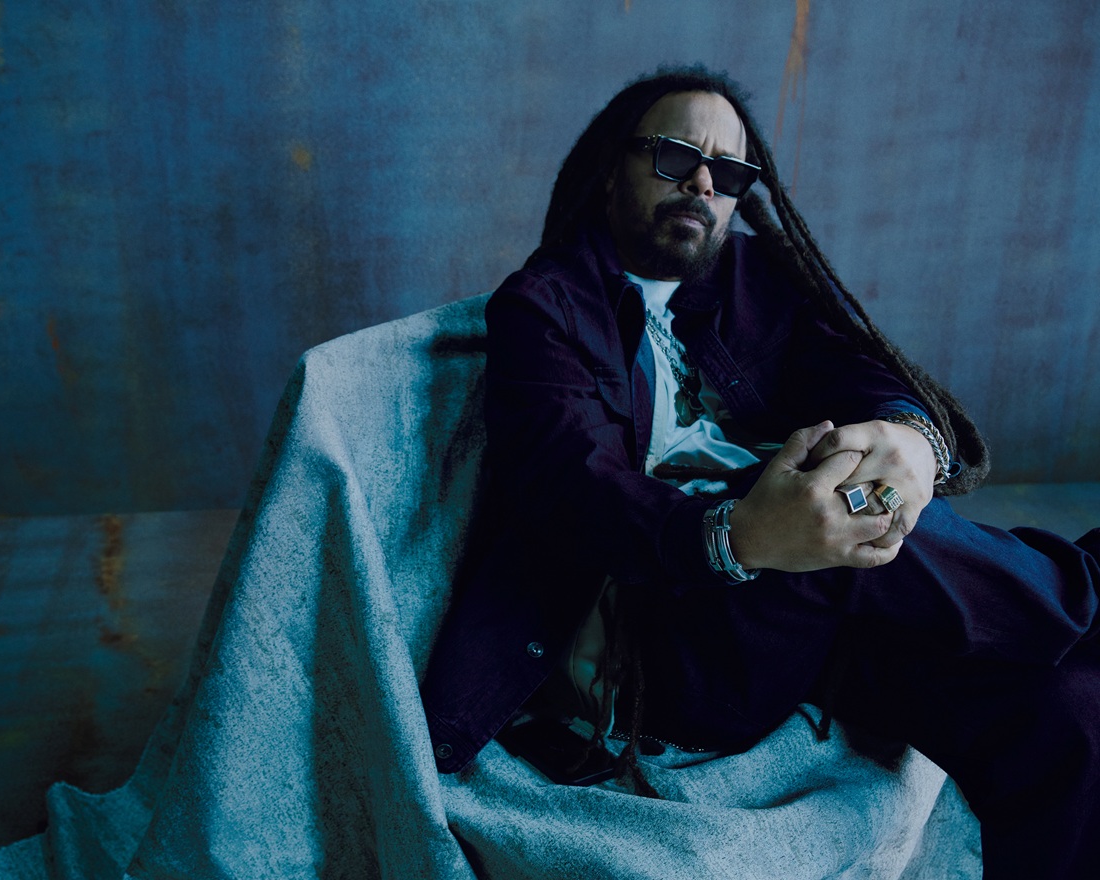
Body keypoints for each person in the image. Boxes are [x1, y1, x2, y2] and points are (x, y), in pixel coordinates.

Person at [419, 64, 1100, 879]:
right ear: (610, 170)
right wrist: (739, 533)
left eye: (729, 171)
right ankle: (1087, 591)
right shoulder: (544, 307)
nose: (704, 183)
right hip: (666, 642)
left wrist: (907, 437)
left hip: (808, 617)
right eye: (676, 156)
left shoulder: (754, 279)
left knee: (1066, 714)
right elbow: (573, 492)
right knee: (826, 499)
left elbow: (861, 369)